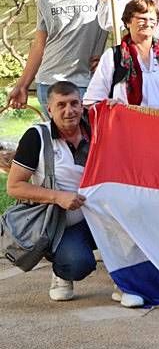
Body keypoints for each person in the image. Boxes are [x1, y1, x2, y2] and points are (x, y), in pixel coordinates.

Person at [6, 81, 143, 307]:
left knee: (138, 223)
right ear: (49, 109)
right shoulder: (36, 137)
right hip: (64, 224)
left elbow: (129, 138)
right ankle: (62, 273)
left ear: (82, 105)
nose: (69, 111)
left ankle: (126, 283)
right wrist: (57, 197)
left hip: (104, 215)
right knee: (77, 262)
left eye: (74, 104)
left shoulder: (96, 127)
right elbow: (14, 187)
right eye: (61, 105)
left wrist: (118, 112)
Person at [7, 0, 107, 114]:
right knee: (55, 139)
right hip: (49, 84)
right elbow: (39, 45)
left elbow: (123, 28)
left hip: (86, 84)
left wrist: (108, 59)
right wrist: (22, 85)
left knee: (87, 139)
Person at [83, 0, 159, 110]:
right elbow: (93, 100)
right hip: (129, 122)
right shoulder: (113, 56)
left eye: (152, 19)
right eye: (142, 19)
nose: (148, 24)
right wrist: (108, 105)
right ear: (128, 22)